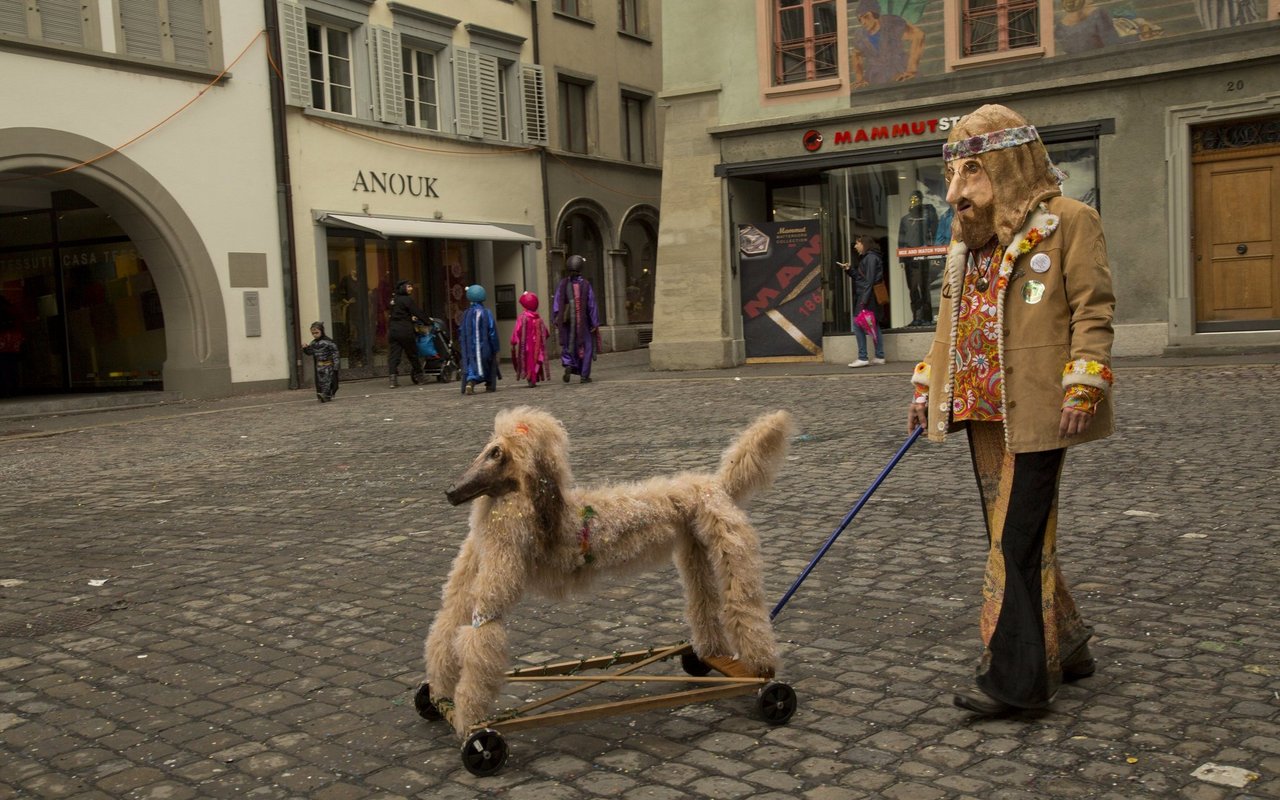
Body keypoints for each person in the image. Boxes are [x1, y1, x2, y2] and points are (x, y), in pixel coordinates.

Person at [906, 104, 1116, 716]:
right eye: (951, 175)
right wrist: (927, 387)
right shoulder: (964, 242)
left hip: (1038, 409)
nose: (955, 193)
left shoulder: (1071, 222)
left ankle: (1017, 682)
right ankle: (1069, 644)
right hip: (978, 409)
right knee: (1008, 536)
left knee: (1016, 541)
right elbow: (947, 324)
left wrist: (1084, 384)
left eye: (970, 173)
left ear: (1007, 164)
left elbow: (1093, 309)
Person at [849, 0, 924, 89]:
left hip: (899, 69)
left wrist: (912, 70)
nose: (863, 22)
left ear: (875, 14)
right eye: (860, 19)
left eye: (866, 17)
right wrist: (860, 79)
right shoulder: (860, 34)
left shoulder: (891, 22)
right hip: (875, 76)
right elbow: (856, 55)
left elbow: (919, 35)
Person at [552, 254, 600, 384]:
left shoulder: (563, 284)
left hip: (567, 321)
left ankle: (568, 364)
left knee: (569, 344)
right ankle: (584, 375)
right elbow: (591, 304)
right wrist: (594, 322)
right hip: (583, 322)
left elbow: (557, 302)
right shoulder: (585, 284)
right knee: (587, 345)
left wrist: (557, 318)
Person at [840, 236, 886, 368]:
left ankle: (863, 357)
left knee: (857, 324)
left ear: (864, 244)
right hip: (868, 296)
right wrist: (849, 270)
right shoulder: (869, 257)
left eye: (857, 243)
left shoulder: (870, 258)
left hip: (867, 297)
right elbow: (862, 278)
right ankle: (879, 356)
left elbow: (869, 281)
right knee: (874, 325)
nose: (855, 246)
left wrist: (864, 300)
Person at [898, 189, 939, 326]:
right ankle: (916, 317)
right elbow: (901, 240)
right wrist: (902, 260)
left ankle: (927, 317)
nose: (914, 202)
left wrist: (933, 253)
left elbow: (932, 235)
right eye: (912, 199)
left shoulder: (926, 218)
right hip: (910, 261)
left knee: (925, 288)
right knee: (913, 289)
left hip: (924, 259)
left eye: (916, 199)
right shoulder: (905, 220)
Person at [458, 284, 500, 395]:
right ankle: (489, 383)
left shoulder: (466, 314)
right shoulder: (486, 313)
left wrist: (462, 344)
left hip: (470, 348)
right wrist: (495, 347)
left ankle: (470, 381)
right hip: (484, 346)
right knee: (488, 363)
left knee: (472, 365)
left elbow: (461, 330)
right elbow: (492, 331)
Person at [387, 280, 429, 387]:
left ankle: (393, 379)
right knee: (412, 354)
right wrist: (428, 322)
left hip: (393, 330)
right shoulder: (407, 300)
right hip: (405, 330)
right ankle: (420, 376)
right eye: (409, 286)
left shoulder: (394, 300)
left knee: (394, 355)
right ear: (403, 288)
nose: (411, 288)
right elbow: (417, 312)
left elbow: (396, 313)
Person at [510, 291, 550, 388]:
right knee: (537, 361)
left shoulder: (522, 318)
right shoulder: (538, 318)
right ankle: (533, 376)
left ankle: (531, 377)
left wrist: (513, 342)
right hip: (537, 345)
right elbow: (545, 332)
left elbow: (517, 330)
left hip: (526, 346)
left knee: (528, 361)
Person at [301, 321, 340, 402]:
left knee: (327, 381)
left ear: (321, 331)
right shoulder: (313, 343)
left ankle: (326, 395)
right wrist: (305, 348)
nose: (315, 335)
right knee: (320, 381)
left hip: (328, 365)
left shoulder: (329, 342)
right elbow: (310, 352)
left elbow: (335, 353)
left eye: (316, 332)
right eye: (313, 333)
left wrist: (336, 365)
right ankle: (323, 394)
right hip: (319, 366)